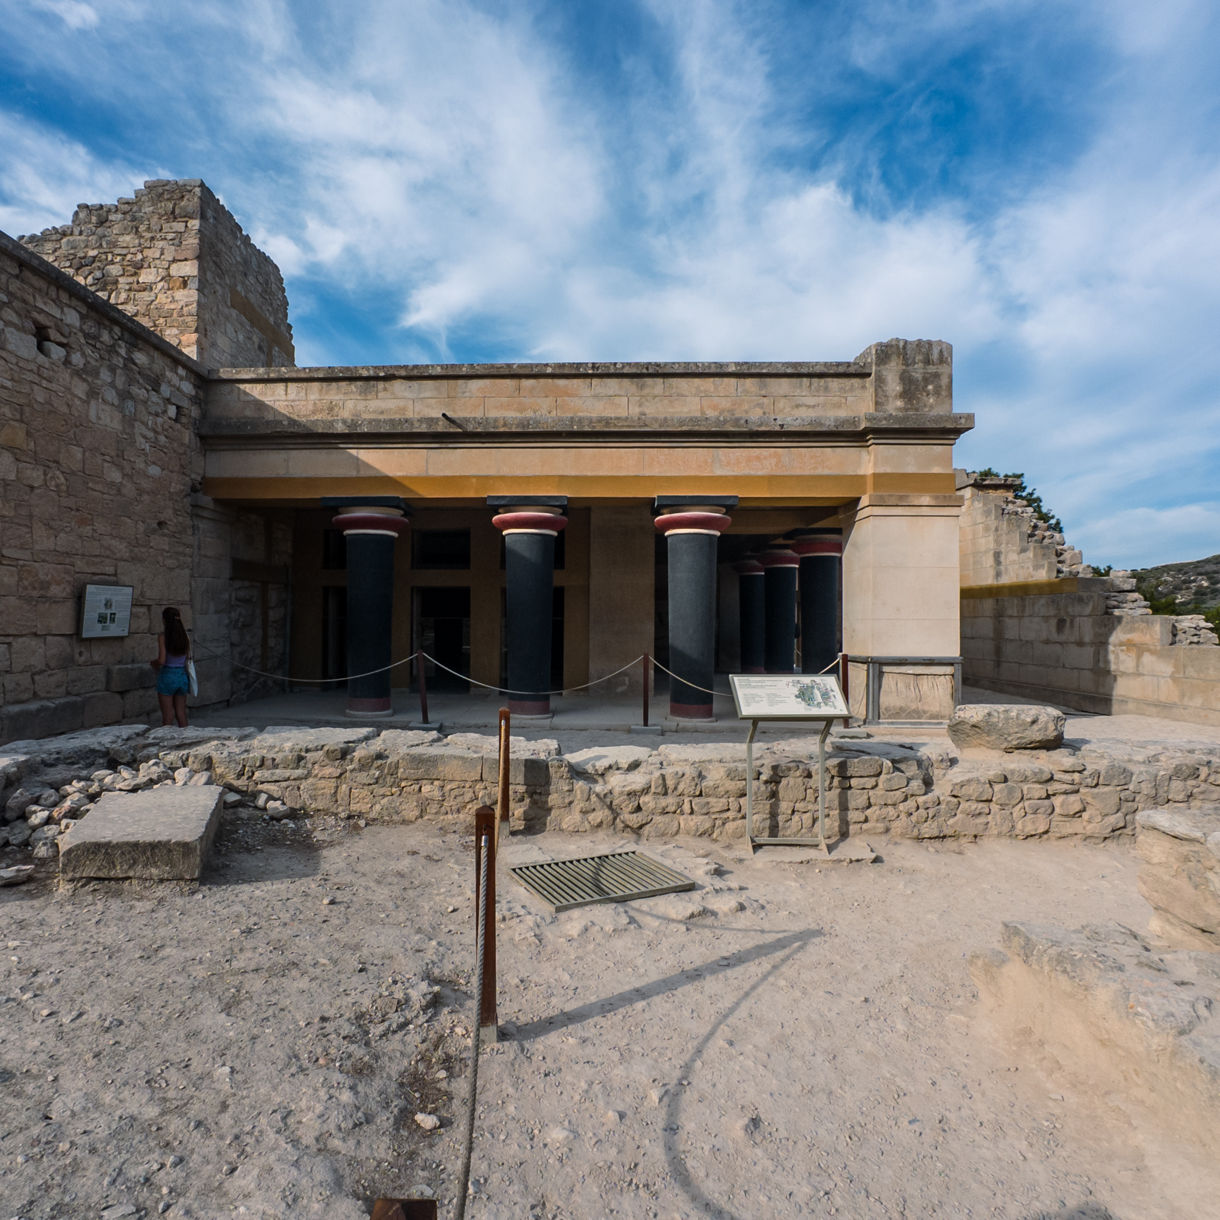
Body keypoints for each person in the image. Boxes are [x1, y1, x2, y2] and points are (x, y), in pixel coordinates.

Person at [153, 606, 191, 727]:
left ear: (164, 620)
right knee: (181, 713)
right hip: (182, 676)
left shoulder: (163, 637)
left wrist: (154, 663)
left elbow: (162, 660)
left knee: (168, 716)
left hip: (168, 676)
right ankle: (188, 738)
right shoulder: (185, 637)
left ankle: (166, 743)